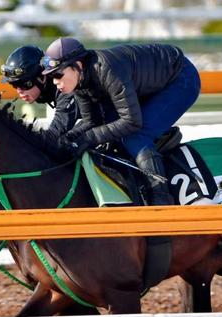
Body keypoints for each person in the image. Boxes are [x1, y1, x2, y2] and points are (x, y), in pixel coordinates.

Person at [41, 37, 201, 206]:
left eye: (58, 74)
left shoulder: (107, 70)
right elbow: (92, 122)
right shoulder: (80, 81)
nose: (55, 82)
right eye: (51, 77)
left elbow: (131, 122)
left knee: (136, 135)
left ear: (78, 66)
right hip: (154, 79)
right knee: (110, 127)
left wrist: (88, 139)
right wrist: (67, 138)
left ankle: (160, 198)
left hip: (181, 78)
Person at [0, 45, 79, 154]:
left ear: (43, 77)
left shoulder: (65, 89)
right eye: (14, 85)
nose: (19, 91)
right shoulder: (50, 93)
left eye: (24, 84)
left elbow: (54, 135)